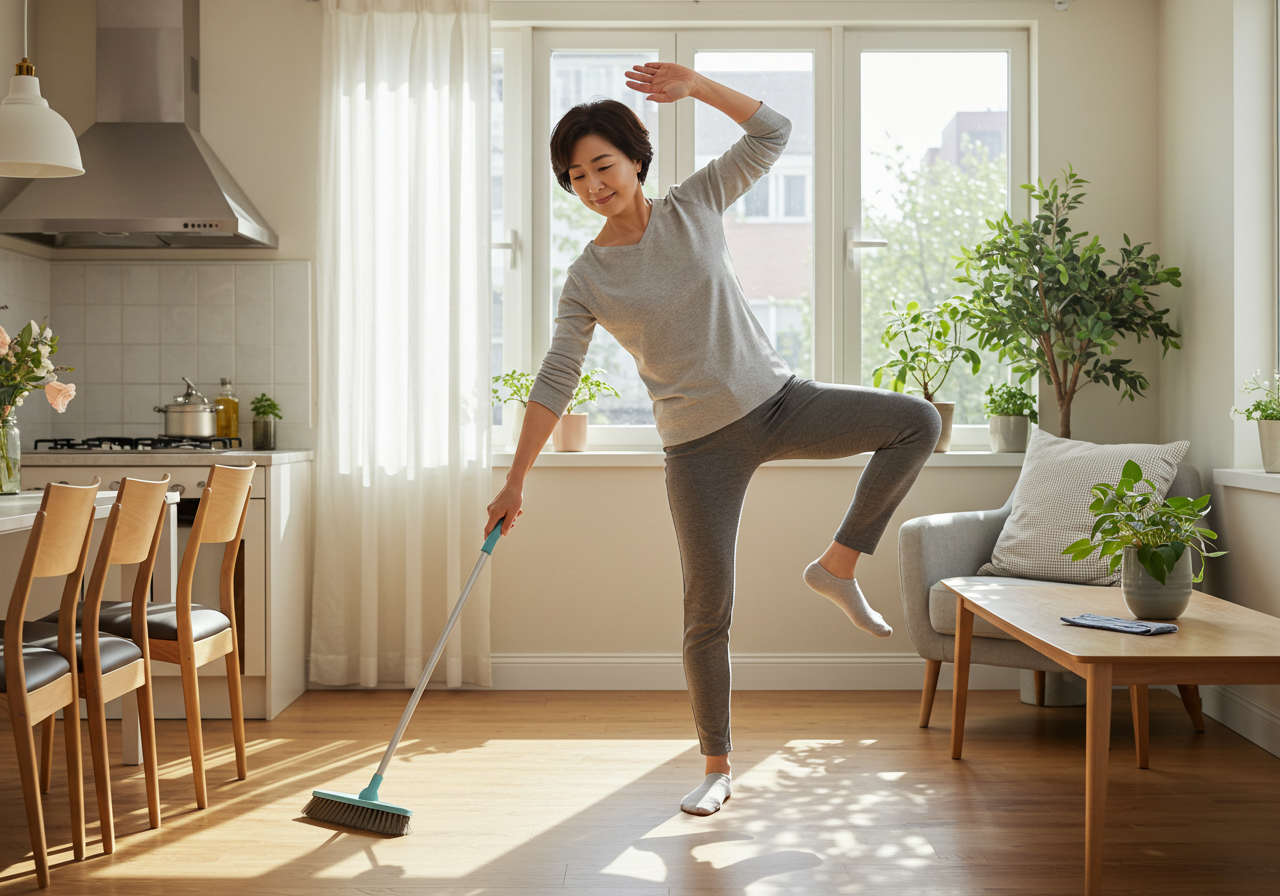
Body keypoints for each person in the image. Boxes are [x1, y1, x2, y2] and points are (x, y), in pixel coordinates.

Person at [485, 62, 940, 817]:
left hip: (781, 400)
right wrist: (515, 478)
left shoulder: (694, 203)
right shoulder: (588, 275)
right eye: (577, 174)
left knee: (916, 422)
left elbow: (773, 132)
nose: (594, 182)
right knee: (708, 609)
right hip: (698, 447)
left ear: (635, 160)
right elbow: (555, 378)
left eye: (604, 164)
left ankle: (836, 566)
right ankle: (717, 763)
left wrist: (695, 86)